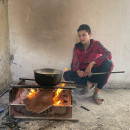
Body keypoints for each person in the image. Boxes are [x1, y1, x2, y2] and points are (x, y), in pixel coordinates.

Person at [63, 24, 114, 104]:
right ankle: (88, 84)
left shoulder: (96, 44)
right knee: (66, 74)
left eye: (84, 35)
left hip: (94, 72)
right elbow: (74, 64)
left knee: (108, 63)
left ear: (90, 35)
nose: (81, 38)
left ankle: (97, 91)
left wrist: (92, 63)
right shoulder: (77, 47)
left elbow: (108, 54)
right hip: (84, 73)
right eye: (79, 36)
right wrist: (77, 71)